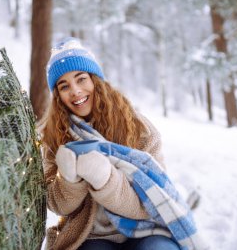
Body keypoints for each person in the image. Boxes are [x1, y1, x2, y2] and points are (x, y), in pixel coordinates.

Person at [39, 37, 185, 250]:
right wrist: (70, 179)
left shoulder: (139, 128)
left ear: (96, 80)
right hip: (90, 235)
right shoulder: (54, 137)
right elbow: (58, 206)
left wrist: (105, 179)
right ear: (58, 95)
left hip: (147, 229)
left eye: (81, 79)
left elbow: (151, 203)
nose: (75, 91)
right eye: (64, 86)